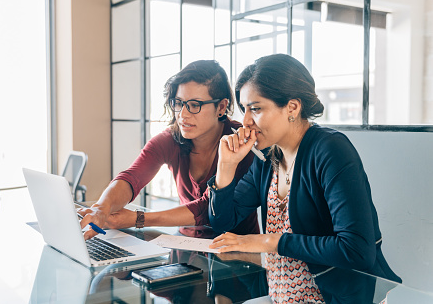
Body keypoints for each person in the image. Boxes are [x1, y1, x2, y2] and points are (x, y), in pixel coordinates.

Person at [208, 54, 401, 303]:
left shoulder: (330, 150)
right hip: (280, 297)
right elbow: (223, 221)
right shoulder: (268, 158)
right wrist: (225, 167)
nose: (245, 121)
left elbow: (356, 250)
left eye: (255, 109)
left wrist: (270, 241)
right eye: (244, 109)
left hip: (331, 299)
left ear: (292, 107)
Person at [79, 60, 259, 239]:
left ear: (221, 107)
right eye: (179, 103)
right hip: (185, 244)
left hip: (237, 254)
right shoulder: (171, 139)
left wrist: (138, 219)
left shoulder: (241, 143)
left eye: (195, 105)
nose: (183, 114)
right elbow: (132, 177)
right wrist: (101, 208)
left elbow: (206, 209)